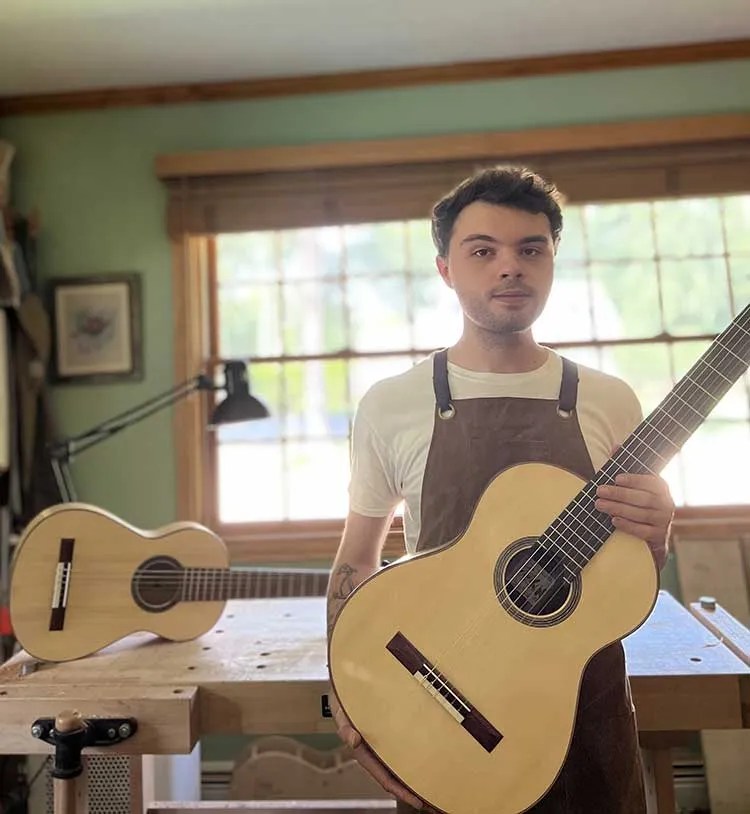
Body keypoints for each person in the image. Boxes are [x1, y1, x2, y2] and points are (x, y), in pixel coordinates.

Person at [326, 165, 674, 813]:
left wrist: (658, 532)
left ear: (552, 263)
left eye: (530, 249)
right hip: (443, 713)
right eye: (482, 251)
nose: (510, 267)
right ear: (446, 269)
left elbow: (631, 570)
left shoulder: (610, 401)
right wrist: (348, 699)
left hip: (586, 708)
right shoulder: (391, 405)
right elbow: (356, 560)